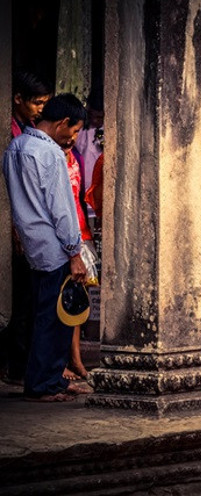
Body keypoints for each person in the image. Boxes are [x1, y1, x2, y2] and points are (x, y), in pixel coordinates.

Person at [2, 93, 91, 402]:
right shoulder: (50, 153)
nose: (73, 138)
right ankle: (43, 384)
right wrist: (75, 252)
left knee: (43, 314)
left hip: (32, 243)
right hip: (54, 245)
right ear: (62, 123)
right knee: (55, 318)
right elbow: (62, 209)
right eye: (74, 130)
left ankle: (50, 379)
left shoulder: (15, 148)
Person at [0, 72, 52, 385]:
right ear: (18, 98)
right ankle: (16, 366)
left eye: (44, 103)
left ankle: (22, 364)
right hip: (17, 224)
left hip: (29, 226)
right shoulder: (10, 133)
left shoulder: (30, 131)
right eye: (37, 102)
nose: (40, 109)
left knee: (28, 299)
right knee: (19, 300)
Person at [62, 146, 94, 381]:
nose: (73, 138)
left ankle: (75, 358)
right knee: (56, 301)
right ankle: (59, 361)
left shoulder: (77, 158)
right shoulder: (50, 156)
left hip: (80, 232)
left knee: (76, 300)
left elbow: (80, 197)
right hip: (60, 235)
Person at [73, 86, 104, 221]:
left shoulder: (109, 131)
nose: (95, 120)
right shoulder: (79, 130)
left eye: (99, 117)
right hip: (81, 194)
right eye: (91, 116)